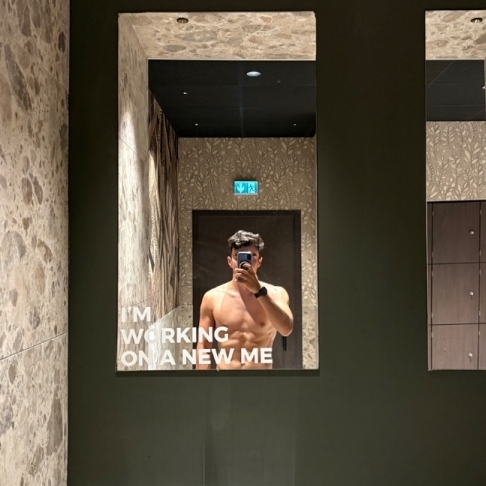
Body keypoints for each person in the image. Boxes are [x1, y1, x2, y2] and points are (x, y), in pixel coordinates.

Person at [196, 230, 293, 370]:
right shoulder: (212, 297)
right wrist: (202, 381)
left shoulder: (277, 294)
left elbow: (286, 329)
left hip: (262, 379)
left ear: (259, 262)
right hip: (225, 378)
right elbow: (204, 345)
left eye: (252, 256)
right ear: (230, 262)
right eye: (238, 257)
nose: (245, 262)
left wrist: (258, 291)